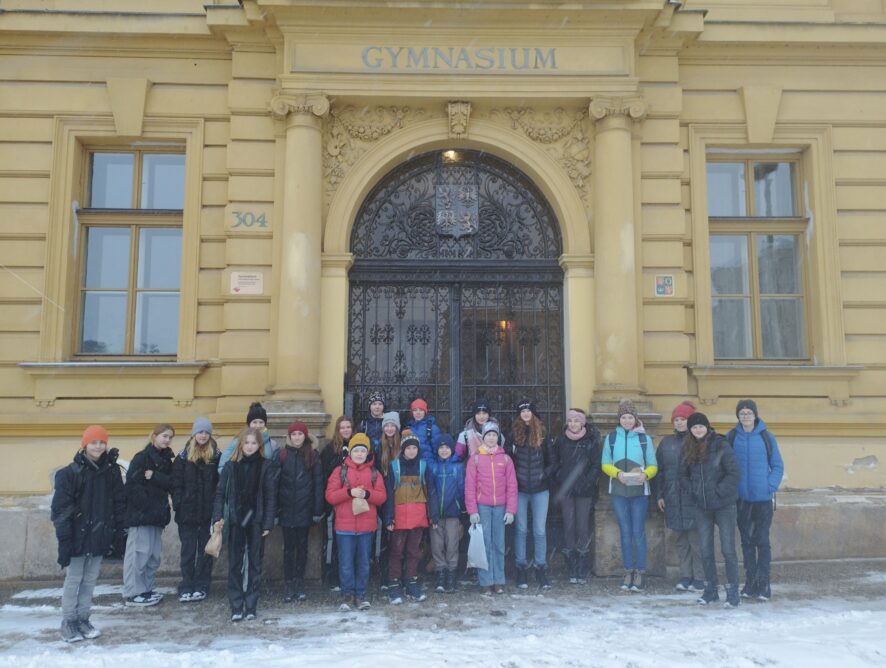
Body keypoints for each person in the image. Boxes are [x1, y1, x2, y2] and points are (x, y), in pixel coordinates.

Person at [52, 425, 125, 642]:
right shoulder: (69, 473)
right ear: (85, 445)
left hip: (100, 534)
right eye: (94, 442)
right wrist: (65, 539)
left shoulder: (111, 471)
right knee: (74, 579)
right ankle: (69, 621)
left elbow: (118, 503)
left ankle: (83, 619)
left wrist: (117, 532)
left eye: (102, 442)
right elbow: (60, 510)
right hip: (77, 535)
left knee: (90, 579)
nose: (98, 446)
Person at [213, 427, 278, 622]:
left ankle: (251, 605)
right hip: (236, 521)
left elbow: (270, 496)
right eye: (247, 442)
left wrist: (268, 521)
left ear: (259, 445)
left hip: (256, 521)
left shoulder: (266, 466)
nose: (250, 446)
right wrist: (217, 517)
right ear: (241, 444)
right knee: (235, 564)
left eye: (254, 443)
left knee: (255, 565)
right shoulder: (231, 467)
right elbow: (219, 494)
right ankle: (236, 604)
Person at [679, 412, 741, 608]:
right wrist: (694, 492)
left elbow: (733, 473)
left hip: (724, 505)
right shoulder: (688, 447)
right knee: (705, 550)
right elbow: (682, 475)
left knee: (728, 550)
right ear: (690, 429)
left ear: (707, 427)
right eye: (694, 427)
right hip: (702, 507)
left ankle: (732, 592)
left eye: (701, 426)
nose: (698, 429)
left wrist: (717, 492)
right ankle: (710, 590)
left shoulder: (720, 444)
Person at [325, 433, 387, 611]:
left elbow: (382, 497)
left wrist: (368, 494)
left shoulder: (374, 473)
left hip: (367, 527)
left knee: (363, 562)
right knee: (345, 562)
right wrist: (348, 492)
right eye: (356, 450)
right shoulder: (340, 471)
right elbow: (330, 495)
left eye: (362, 450)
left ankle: (360, 594)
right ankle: (347, 595)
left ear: (367, 453)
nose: (359, 454)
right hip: (344, 527)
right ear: (350, 452)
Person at [730, 399, 785, 602]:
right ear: (738, 416)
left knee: (761, 540)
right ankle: (750, 581)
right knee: (746, 541)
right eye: (742, 413)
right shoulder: (732, 437)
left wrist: (769, 486)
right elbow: (726, 465)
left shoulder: (766, 437)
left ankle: (764, 582)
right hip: (741, 499)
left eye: (748, 413)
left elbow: (777, 466)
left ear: (755, 415)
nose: (745, 416)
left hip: (762, 499)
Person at [601, 400, 657, 593]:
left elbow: (653, 465)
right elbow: (605, 463)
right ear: (619, 419)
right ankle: (628, 570)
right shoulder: (611, 438)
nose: (626, 420)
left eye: (630, 417)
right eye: (623, 417)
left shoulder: (644, 440)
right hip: (618, 490)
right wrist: (617, 474)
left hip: (639, 492)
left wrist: (645, 475)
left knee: (638, 532)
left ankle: (640, 571)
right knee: (625, 532)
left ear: (635, 419)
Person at [652, 401, 704, 592]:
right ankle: (685, 575)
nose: (680, 423)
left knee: (696, 540)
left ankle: (700, 577)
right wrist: (660, 495)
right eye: (677, 420)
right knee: (681, 540)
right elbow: (660, 471)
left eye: (684, 419)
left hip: (693, 499)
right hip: (673, 499)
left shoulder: (699, 441)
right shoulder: (666, 443)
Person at [123, 423, 175, 606]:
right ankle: (133, 592)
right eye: (164, 436)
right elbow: (131, 485)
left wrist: (154, 476)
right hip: (141, 516)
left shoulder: (167, 460)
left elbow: (172, 483)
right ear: (154, 436)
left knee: (152, 556)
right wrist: (145, 505)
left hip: (158, 515)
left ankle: (146, 589)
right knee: (138, 554)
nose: (167, 440)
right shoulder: (142, 457)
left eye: (170, 437)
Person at [384, 431, 437, 604]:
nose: (412, 451)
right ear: (403, 449)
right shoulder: (394, 467)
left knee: (413, 552)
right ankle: (393, 584)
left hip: (418, 516)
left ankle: (410, 582)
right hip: (399, 517)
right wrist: (389, 517)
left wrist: (433, 516)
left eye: (415, 447)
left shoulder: (423, 466)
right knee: (396, 552)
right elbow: (389, 495)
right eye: (409, 448)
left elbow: (431, 492)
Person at [508, 399, 556, 590]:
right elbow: (508, 460)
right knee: (521, 530)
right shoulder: (513, 434)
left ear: (533, 413)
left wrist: (543, 475)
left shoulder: (543, 433)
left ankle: (540, 566)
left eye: (528, 410)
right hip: (519, 489)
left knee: (539, 530)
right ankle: (521, 567)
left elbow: (553, 461)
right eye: (523, 411)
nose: (526, 413)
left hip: (540, 489)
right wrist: (515, 479)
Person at [171, 417, 220, 603]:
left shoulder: (216, 456)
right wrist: (179, 503)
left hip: (207, 513)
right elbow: (176, 483)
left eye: (206, 432)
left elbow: (219, 484)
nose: (203, 435)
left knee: (205, 552)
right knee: (188, 551)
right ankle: (187, 584)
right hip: (187, 513)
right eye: (200, 432)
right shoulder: (183, 457)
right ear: (194, 434)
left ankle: (202, 584)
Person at [465, 421, 517, 595]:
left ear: (498, 438)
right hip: (483, 507)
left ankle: (499, 580)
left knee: (499, 545)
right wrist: (472, 511)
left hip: (501, 507)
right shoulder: (476, 459)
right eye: (488, 435)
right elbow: (470, 486)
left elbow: (512, 486)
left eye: (494, 435)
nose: (491, 438)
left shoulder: (506, 459)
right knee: (485, 545)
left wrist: (511, 510)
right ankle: (486, 581)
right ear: (484, 438)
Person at [276, 420, 324, 602]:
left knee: (302, 549)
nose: (297, 437)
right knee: (288, 549)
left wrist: (317, 510)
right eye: (294, 434)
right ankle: (288, 583)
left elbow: (318, 484)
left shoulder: (312, 455)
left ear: (305, 436)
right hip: (287, 509)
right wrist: (276, 510)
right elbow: (276, 484)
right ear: (289, 437)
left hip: (305, 509)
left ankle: (299, 581)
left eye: (300, 434)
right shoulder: (282, 455)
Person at [553, 408, 600, 585]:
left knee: (582, 526)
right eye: (571, 421)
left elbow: (596, 465)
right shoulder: (561, 440)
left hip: (584, 490)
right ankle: (571, 564)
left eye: (577, 421)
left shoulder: (591, 440)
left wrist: (587, 482)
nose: (573, 424)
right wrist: (561, 477)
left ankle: (582, 564)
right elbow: (555, 462)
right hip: (566, 490)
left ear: (583, 423)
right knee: (569, 525)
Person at [320, 415, 354, 591]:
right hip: (335, 500)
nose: (345, 430)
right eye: (342, 427)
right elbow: (325, 473)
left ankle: (349, 576)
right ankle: (333, 575)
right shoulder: (329, 450)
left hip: (352, 501)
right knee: (334, 539)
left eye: (348, 427)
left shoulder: (357, 447)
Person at [428, 433, 465, 594]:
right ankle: (440, 573)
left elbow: (462, 489)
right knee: (436, 545)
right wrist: (432, 513)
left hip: (453, 513)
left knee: (452, 545)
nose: (444, 450)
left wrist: (461, 510)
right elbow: (431, 491)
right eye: (441, 448)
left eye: (447, 448)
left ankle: (451, 574)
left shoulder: (457, 467)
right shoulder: (433, 467)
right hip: (436, 514)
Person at [218, 402, 279, 472]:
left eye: (261, 422)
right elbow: (222, 466)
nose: (258, 425)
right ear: (249, 423)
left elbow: (273, 467)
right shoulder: (239, 440)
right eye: (254, 422)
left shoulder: (271, 443)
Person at [406, 398, 442, 463]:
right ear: (412, 413)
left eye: (421, 410)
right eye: (415, 410)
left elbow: (438, 450)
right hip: (412, 466)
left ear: (425, 412)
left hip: (428, 465)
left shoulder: (432, 428)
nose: (418, 413)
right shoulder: (408, 428)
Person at [358, 391, 386, 457]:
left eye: (380, 404)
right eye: (374, 404)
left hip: (384, 459)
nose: (377, 407)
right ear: (370, 406)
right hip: (367, 459)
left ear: (383, 406)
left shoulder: (388, 422)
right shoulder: (363, 424)